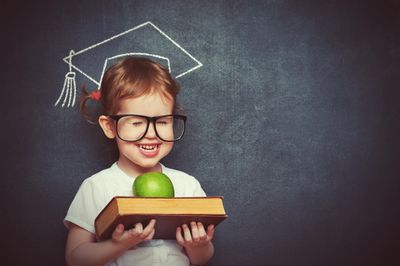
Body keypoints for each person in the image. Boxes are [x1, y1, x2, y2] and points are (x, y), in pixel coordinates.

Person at [64, 57, 215, 266]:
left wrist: (197, 245)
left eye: (162, 121)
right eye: (137, 122)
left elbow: (201, 259)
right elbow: (75, 258)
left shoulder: (188, 185)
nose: (151, 134)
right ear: (109, 127)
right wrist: (119, 245)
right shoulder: (96, 187)